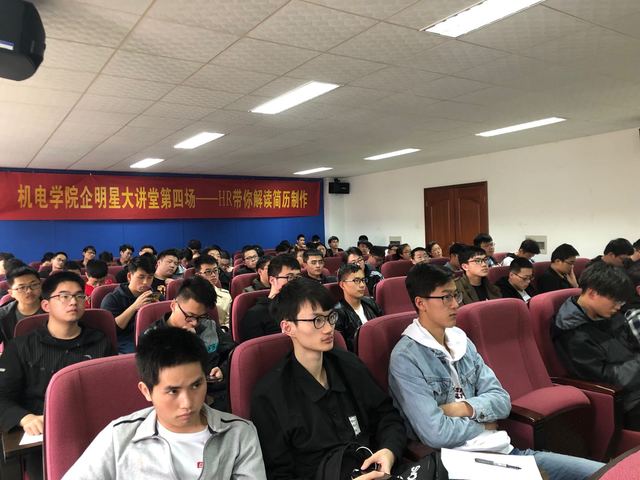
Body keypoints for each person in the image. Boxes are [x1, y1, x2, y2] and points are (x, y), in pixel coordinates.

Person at [388, 263, 604, 480]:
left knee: (605, 473)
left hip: (506, 453)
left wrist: (462, 408)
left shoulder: (461, 341)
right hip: (461, 465)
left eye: (456, 295)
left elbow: (502, 400)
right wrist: (484, 424)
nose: (455, 304)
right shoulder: (406, 358)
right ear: (421, 303)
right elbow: (436, 433)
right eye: (446, 297)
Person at [251, 278, 406, 479]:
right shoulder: (270, 395)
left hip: (378, 469)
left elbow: (387, 416)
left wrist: (389, 451)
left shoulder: (349, 365)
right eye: (317, 320)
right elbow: (278, 473)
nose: (328, 328)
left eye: (330, 317)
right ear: (288, 327)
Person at [63, 327, 266, 480]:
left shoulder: (238, 434)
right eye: (172, 391)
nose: (187, 403)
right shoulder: (120, 437)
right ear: (146, 391)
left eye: (196, 385)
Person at [0, 271, 114, 480]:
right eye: (64, 296)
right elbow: (2, 396)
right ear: (46, 305)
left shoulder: (100, 341)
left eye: (79, 296)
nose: (74, 302)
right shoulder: (21, 347)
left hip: (94, 429)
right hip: (43, 433)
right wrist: (24, 417)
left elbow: (112, 392)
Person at [553, 262, 639, 430]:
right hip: (623, 398)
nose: (618, 307)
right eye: (615, 301)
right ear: (592, 293)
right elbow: (604, 377)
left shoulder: (608, 314)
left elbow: (633, 346)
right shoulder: (573, 333)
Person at [145, 276, 235, 411]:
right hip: (183, 402)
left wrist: (223, 369)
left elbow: (233, 352)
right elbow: (160, 381)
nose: (195, 323)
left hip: (219, 393)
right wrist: (186, 345)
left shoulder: (208, 325)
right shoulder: (153, 337)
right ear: (174, 305)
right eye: (190, 316)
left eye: (201, 317)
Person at [101, 256, 157, 353]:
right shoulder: (112, 299)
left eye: (150, 277)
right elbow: (112, 330)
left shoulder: (156, 296)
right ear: (129, 276)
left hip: (150, 336)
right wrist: (134, 306)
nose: (145, 282)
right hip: (125, 341)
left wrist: (158, 310)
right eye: (141, 277)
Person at [240, 254, 301, 342]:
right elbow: (256, 348)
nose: (296, 282)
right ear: (272, 280)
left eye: (297, 277)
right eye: (290, 277)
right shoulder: (255, 314)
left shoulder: (303, 306)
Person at [335, 263, 383, 351]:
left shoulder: (371, 303)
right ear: (342, 285)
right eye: (356, 280)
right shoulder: (337, 313)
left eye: (363, 280)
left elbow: (382, 328)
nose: (362, 285)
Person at [0, 265, 44, 344]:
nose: (29, 291)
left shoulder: (55, 307)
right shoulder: (3, 315)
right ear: (11, 293)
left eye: (34, 285)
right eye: (21, 288)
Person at [193, 254, 232, 328]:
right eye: (208, 272)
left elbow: (229, 322)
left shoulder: (226, 295)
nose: (213, 275)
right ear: (198, 275)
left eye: (215, 271)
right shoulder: (191, 296)